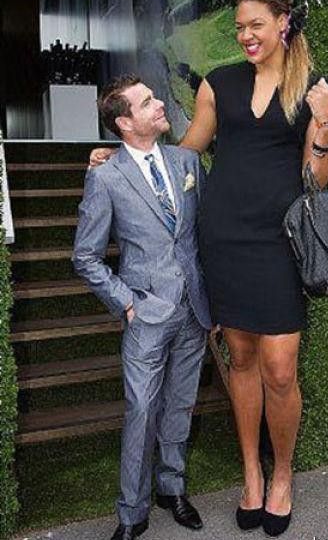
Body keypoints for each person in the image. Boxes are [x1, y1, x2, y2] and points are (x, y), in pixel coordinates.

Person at [90, 0, 328, 538]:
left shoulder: (314, 90)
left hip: (279, 245)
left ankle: (282, 475)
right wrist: (124, 157)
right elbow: (184, 153)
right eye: (239, 27)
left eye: (255, 25)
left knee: (280, 370)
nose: (245, 35)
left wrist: (324, 125)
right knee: (242, 361)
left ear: (283, 23)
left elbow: (316, 181)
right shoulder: (219, 84)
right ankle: (252, 473)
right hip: (223, 240)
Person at [73, 74, 211, 540]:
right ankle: (132, 512)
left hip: (193, 308)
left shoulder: (187, 161)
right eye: (147, 102)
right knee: (141, 412)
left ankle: (172, 488)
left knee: (181, 404)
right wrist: (127, 304)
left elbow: (203, 233)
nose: (159, 105)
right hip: (145, 314)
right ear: (125, 123)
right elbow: (85, 257)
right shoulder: (106, 177)